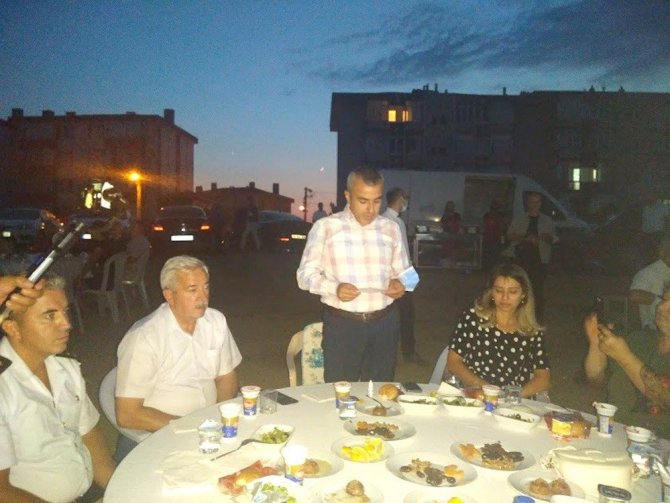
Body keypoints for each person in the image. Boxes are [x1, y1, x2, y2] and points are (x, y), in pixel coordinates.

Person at [0, 275, 116, 502]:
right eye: (50, 315)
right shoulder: (4, 388)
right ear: (13, 328)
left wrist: (123, 491)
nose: (67, 324)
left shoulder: (66, 369)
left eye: (65, 312)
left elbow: (91, 440)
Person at [115, 255, 242, 458]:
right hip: (160, 434)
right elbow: (127, 414)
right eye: (192, 290)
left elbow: (226, 376)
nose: (203, 297)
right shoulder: (145, 337)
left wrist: (218, 415)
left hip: (208, 429)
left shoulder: (215, 321)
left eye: (206, 287)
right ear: (169, 296)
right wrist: (192, 427)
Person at [297, 167, 411, 382]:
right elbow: (304, 275)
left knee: (380, 389)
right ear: (348, 196)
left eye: (377, 201)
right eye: (363, 201)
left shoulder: (391, 228)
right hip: (343, 324)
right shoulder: (326, 227)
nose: (371, 209)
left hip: (385, 322)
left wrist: (401, 283)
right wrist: (334, 288)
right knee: (341, 389)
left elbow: (409, 273)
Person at [445, 262, 551, 398]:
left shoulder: (530, 330)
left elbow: (543, 377)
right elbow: (453, 362)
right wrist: (487, 389)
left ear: (523, 294)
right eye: (499, 291)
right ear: (491, 292)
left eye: (512, 292)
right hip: (476, 393)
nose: (505, 297)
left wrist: (513, 396)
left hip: (512, 400)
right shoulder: (473, 319)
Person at [584, 294, 670, 438]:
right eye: (664, 300)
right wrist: (595, 342)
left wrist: (624, 356)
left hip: (658, 443)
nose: (662, 307)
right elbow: (596, 379)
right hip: (611, 431)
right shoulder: (640, 339)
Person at [382, 187, 424, 364]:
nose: (406, 201)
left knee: (390, 314)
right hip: (399, 275)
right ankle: (409, 352)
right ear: (399, 199)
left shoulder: (384, 219)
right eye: (405, 198)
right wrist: (410, 278)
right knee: (406, 314)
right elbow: (403, 254)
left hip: (392, 275)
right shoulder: (394, 222)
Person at [504, 192, 556, 319]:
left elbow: (553, 239)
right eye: (532, 202)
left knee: (537, 289)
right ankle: (517, 316)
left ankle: (537, 317)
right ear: (528, 203)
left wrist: (544, 238)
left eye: (537, 202)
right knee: (519, 287)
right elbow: (509, 235)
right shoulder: (520, 219)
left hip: (539, 260)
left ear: (540, 204)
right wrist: (525, 238)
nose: (534, 205)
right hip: (520, 259)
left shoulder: (547, 221)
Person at [629, 237, 670, 329]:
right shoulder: (648, 272)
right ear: (662, 252)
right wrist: (660, 301)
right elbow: (634, 295)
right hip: (656, 329)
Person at [481, 200, 506, 270]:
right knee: (487, 256)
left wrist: (502, 240)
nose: (495, 208)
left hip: (496, 241)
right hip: (487, 240)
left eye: (497, 206)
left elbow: (502, 229)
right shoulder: (487, 215)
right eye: (493, 206)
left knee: (495, 257)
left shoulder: (501, 216)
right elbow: (484, 227)